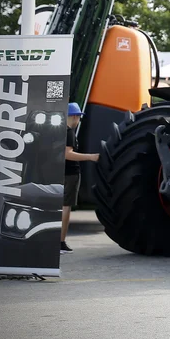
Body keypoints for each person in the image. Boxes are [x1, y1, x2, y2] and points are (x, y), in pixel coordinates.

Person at [62, 102, 99, 253]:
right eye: (78, 118)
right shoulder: (69, 133)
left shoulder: (59, 132)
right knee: (66, 207)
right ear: (75, 117)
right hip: (70, 174)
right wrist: (91, 157)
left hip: (62, 173)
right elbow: (67, 154)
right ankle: (61, 241)